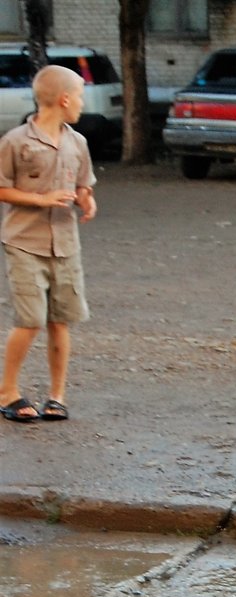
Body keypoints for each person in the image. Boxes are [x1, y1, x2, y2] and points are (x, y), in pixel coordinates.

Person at [0, 65, 96, 423]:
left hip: (65, 245)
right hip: (25, 242)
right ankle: (7, 390)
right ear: (64, 99)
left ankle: (57, 395)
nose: (83, 105)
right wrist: (41, 199)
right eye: (81, 97)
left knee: (60, 321)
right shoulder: (15, 142)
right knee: (30, 320)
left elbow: (84, 185)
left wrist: (87, 200)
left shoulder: (78, 143)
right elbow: (2, 187)